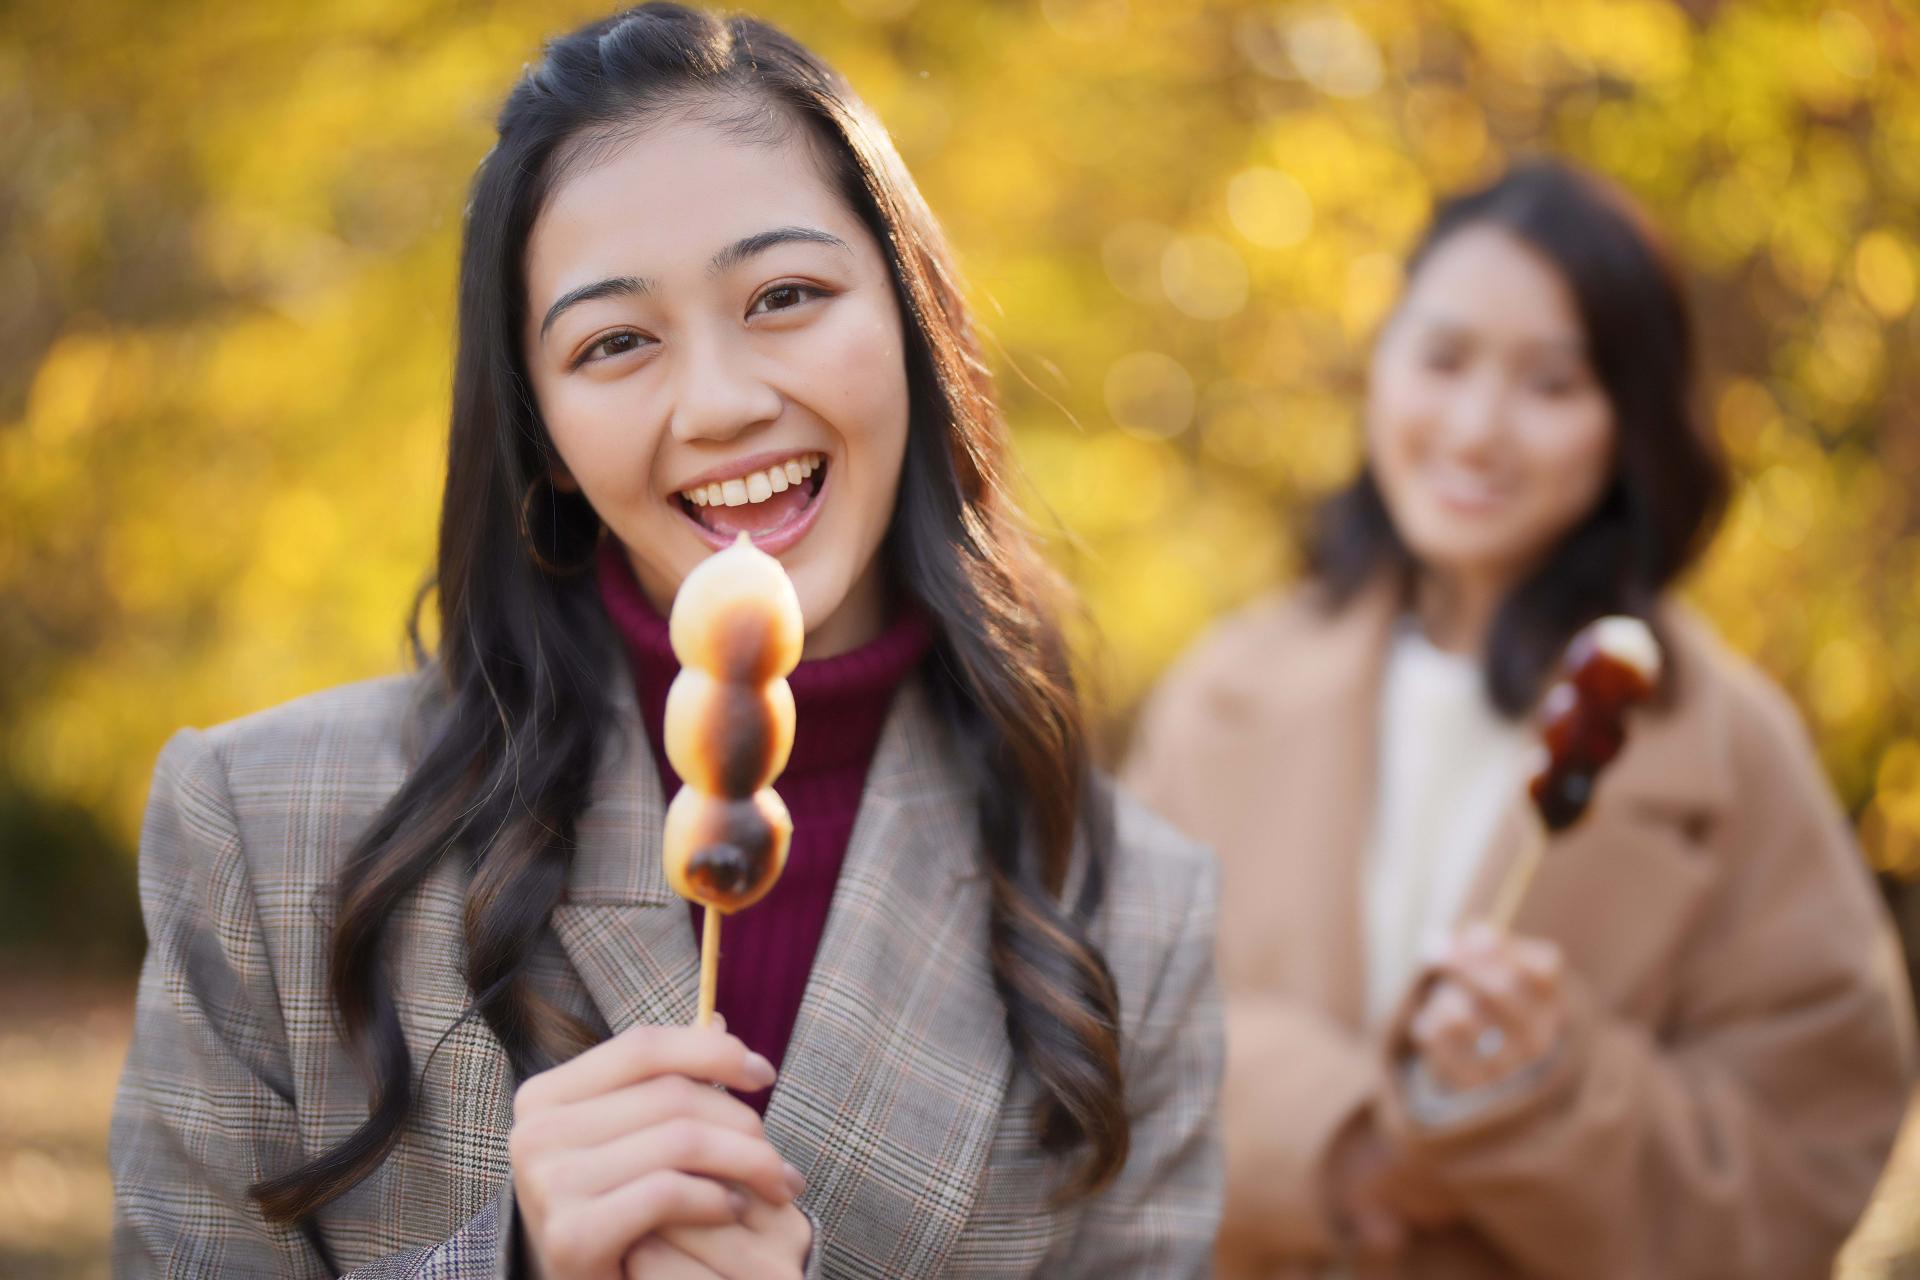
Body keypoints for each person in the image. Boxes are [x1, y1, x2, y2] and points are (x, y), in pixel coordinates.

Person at [109, 6, 1223, 1277]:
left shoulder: (1133, 908)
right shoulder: (265, 833)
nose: (724, 402)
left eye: (787, 295)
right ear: (545, 434)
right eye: (615, 341)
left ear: (910, 320)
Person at [1123, 160, 1915, 1279]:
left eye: (1551, 383)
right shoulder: (1225, 691)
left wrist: (1553, 1094)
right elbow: (1102, 1028)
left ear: (1627, 422)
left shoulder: (1734, 746)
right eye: (1442, 360)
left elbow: (1812, 1157)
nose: (1479, 429)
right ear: (1381, 368)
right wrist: (1339, 1140)